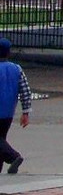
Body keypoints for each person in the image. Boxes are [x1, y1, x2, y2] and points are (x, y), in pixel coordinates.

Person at [0, 37, 32, 174]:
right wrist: (25, 112)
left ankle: (14, 157)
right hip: (8, 113)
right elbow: (25, 91)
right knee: (1, 140)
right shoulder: (16, 69)